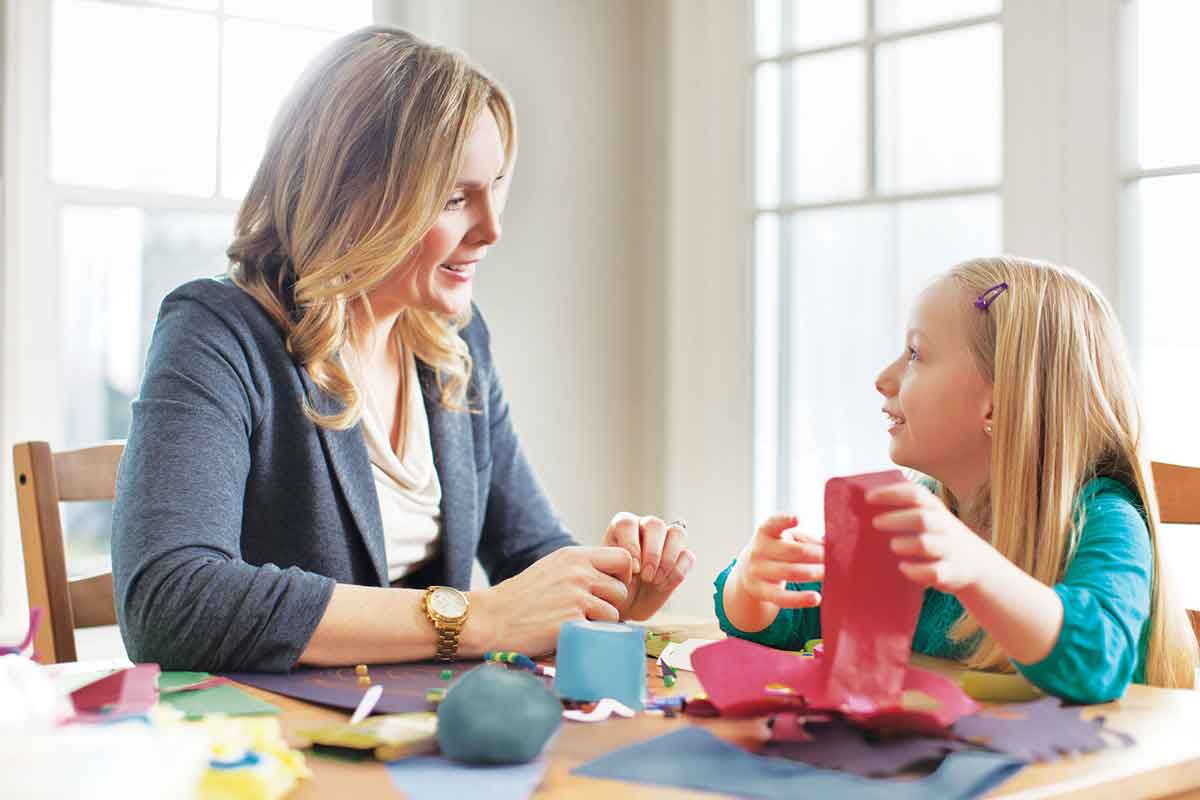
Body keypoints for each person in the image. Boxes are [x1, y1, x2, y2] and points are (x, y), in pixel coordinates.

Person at [111, 26, 694, 672]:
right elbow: (171, 603)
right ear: (355, 199)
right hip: (272, 748)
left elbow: (529, 555)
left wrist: (610, 583)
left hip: (416, 734)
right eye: (453, 198)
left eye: (494, 185)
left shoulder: (456, 347)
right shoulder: (216, 333)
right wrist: (477, 617)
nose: (493, 229)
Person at [715, 257, 1197, 703]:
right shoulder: (918, 513)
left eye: (916, 354)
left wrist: (977, 567)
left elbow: (1098, 661)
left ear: (997, 400)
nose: (884, 377)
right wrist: (755, 586)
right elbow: (797, 619)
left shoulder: (1104, 519)